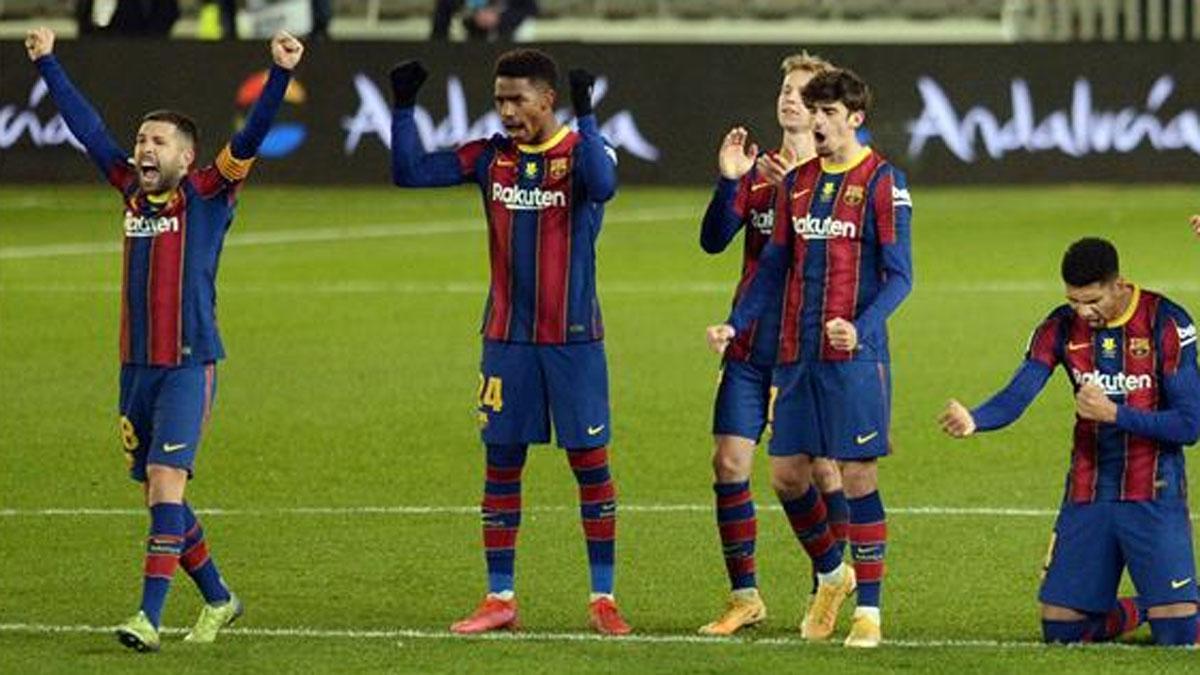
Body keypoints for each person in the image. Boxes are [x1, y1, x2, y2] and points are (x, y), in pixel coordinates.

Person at [24, 26, 304, 652]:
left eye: (158, 142)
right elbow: (88, 129)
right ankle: (220, 598)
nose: (143, 149)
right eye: (141, 140)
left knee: (165, 481)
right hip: (135, 367)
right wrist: (49, 63)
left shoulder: (209, 191)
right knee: (158, 492)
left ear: (185, 156)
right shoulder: (129, 189)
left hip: (187, 361)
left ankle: (148, 618)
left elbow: (251, 136)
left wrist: (280, 73)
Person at [389, 49, 629, 635]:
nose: (506, 111)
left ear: (548, 100)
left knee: (589, 464)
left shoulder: (583, 153)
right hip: (506, 339)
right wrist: (402, 107)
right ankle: (500, 597)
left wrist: (588, 112)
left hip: (574, 339)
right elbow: (411, 171)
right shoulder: (489, 158)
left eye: (517, 99)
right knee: (502, 464)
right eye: (499, 100)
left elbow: (603, 186)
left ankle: (603, 599)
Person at [706, 67, 913, 648]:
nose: (817, 122)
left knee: (857, 474)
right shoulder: (797, 185)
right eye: (813, 111)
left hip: (855, 357)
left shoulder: (881, 181)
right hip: (796, 354)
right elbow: (772, 270)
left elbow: (901, 276)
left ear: (855, 118)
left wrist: (861, 327)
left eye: (828, 113)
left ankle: (868, 611)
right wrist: (736, 323)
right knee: (787, 475)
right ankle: (833, 574)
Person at [939, 237, 1200, 646]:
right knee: (1063, 631)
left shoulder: (1166, 322)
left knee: (1181, 635)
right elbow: (1019, 393)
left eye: (1092, 300)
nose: (1083, 312)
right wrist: (976, 419)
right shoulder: (1059, 326)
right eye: (1074, 300)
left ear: (1118, 285)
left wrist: (1115, 413)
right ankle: (1149, 605)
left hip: (1154, 492)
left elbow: (1189, 425)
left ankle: (1175, 604)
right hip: (1088, 490)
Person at [696, 52, 856, 637]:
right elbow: (715, 241)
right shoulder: (758, 170)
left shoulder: (841, 179)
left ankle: (828, 582)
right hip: (750, 342)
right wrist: (728, 182)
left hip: (806, 346)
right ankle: (745, 597)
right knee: (728, 462)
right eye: (785, 90)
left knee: (821, 471)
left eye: (803, 92)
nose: (789, 99)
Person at [431, 0, 538, 41]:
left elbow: (531, 8)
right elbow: (444, 9)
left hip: (509, 30)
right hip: (470, 31)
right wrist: (473, 15)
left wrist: (500, 18)